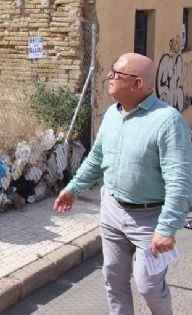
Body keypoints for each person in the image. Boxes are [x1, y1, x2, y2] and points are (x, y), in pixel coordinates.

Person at [54, 52, 192, 315]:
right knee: (113, 279)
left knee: (149, 285)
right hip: (112, 211)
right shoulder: (111, 114)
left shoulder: (167, 121)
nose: (110, 77)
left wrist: (167, 226)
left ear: (137, 83)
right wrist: (73, 189)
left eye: (117, 74)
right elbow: (96, 159)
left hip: (151, 219)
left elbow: (180, 180)